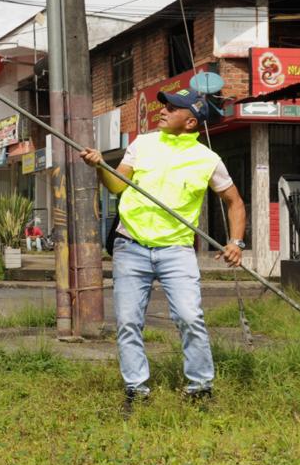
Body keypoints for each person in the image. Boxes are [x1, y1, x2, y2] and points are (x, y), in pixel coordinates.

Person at [81, 87, 246, 404]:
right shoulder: (142, 144)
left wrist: (236, 242)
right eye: (165, 105)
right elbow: (117, 185)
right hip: (131, 245)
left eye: (172, 108)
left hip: (176, 251)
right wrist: (101, 166)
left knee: (189, 317)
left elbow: (234, 202)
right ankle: (137, 390)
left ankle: (199, 388)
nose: (163, 110)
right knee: (128, 322)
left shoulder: (207, 159)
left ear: (190, 122)